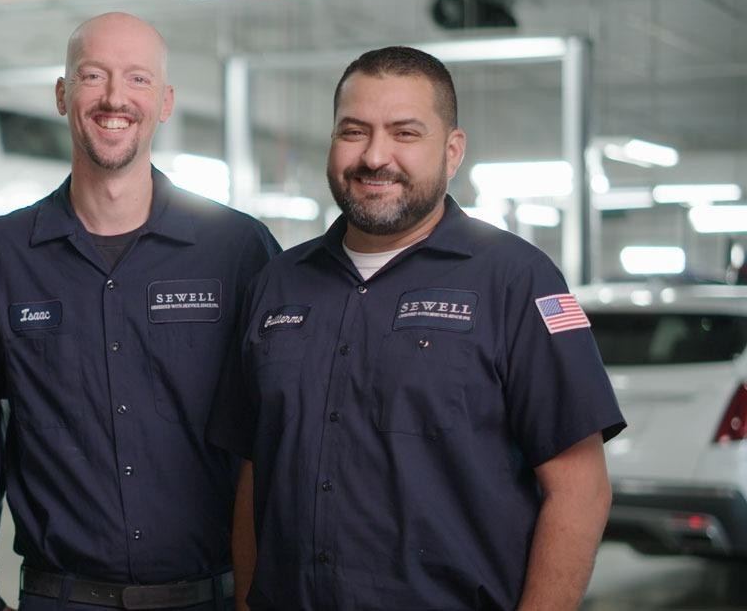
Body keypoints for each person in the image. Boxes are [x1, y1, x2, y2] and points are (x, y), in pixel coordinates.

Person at [214, 46, 625, 609]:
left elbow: (579, 488)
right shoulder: (279, 283)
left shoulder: (516, 279)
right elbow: (255, 469)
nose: (375, 156)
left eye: (405, 133)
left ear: (452, 151)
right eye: (353, 131)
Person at [0, 12, 278, 611]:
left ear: (165, 101)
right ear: (62, 93)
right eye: (92, 76)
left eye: (137, 79)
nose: (113, 98)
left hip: (210, 597)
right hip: (61, 597)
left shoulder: (237, 249)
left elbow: (278, 435)